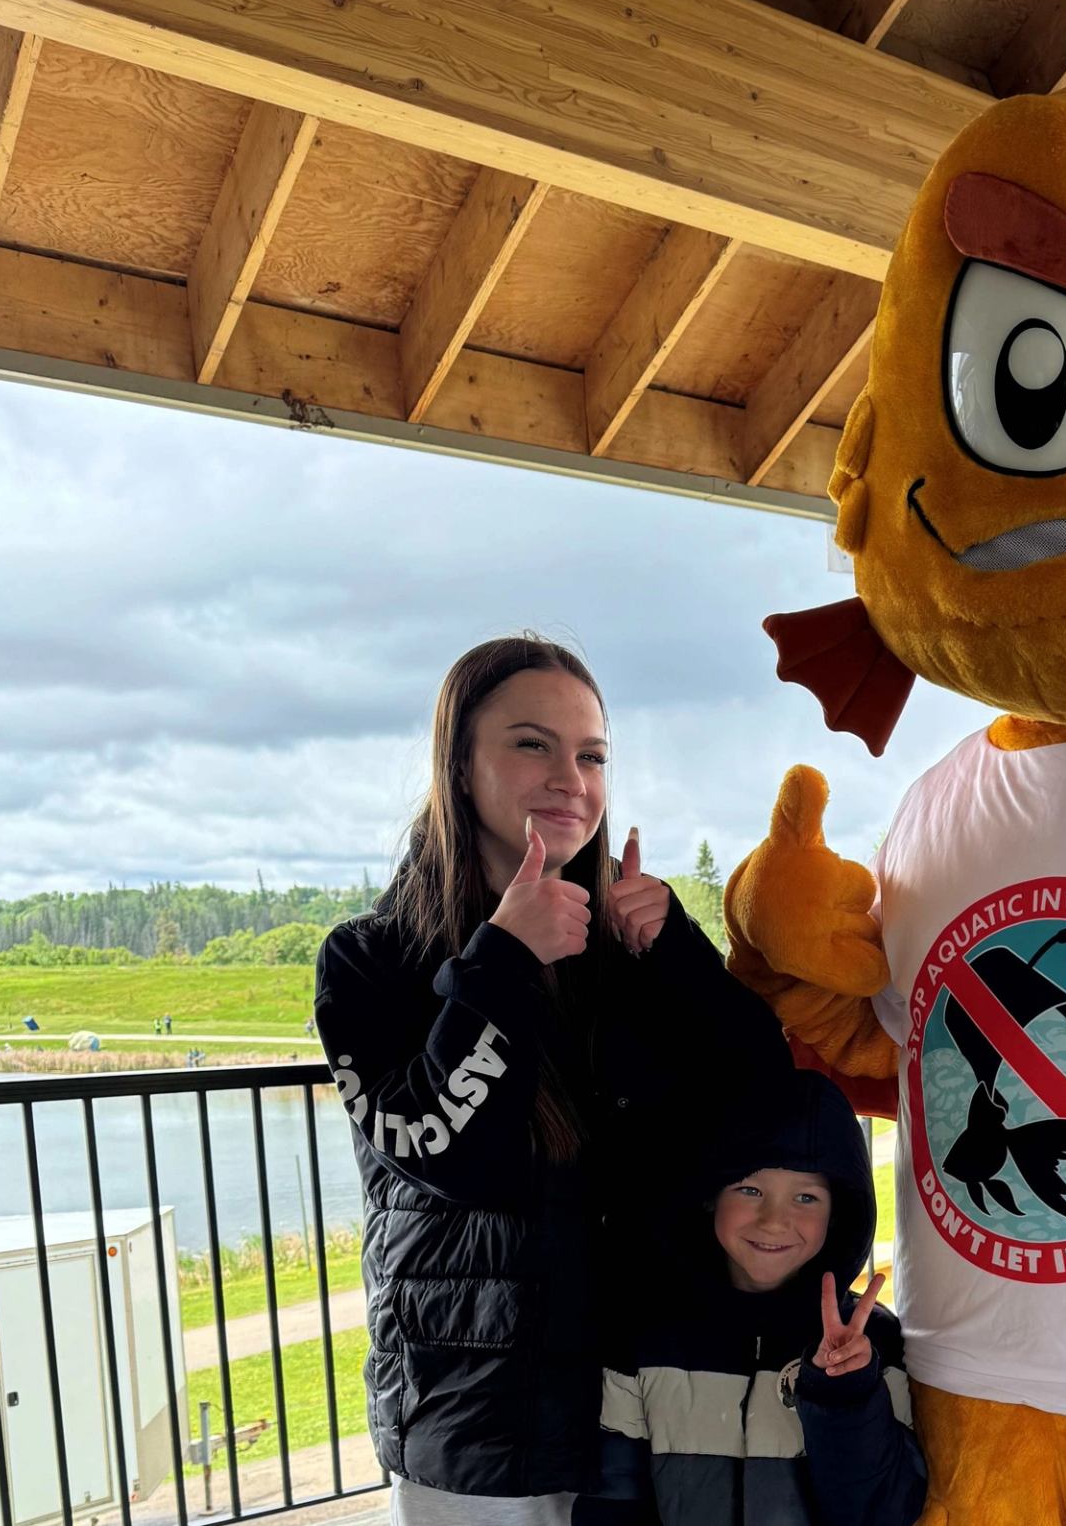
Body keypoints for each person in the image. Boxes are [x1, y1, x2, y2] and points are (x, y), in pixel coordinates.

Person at [315, 635, 791, 1523]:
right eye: (531, 743)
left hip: (643, 1407)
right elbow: (448, 1155)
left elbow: (765, 1094)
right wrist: (500, 962)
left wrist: (678, 953)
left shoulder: (626, 950)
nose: (570, 776)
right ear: (459, 766)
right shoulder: (369, 961)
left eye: (593, 754)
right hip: (480, 1422)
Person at [590, 1071, 926, 1526]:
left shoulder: (869, 1343)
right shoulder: (648, 1334)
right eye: (750, 1190)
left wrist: (845, 1394)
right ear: (711, 1196)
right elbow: (614, 1500)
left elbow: (883, 1513)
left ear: (839, 1212)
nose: (773, 1221)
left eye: (806, 1198)